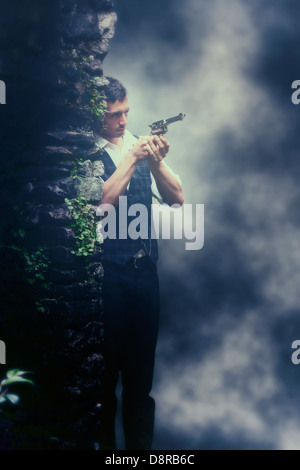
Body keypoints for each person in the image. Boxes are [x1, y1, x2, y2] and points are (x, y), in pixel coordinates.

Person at [96, 77, 184, 450]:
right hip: (108, 278)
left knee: (140, 381)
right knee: (102, 382)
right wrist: (132, 158)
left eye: (126, 112)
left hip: (145, 273)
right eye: (115, 115)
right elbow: (101, 205)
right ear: (97, 116)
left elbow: (177, 198)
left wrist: (157, 162)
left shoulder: (138, 146)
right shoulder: (85, 153)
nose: (123, 121)